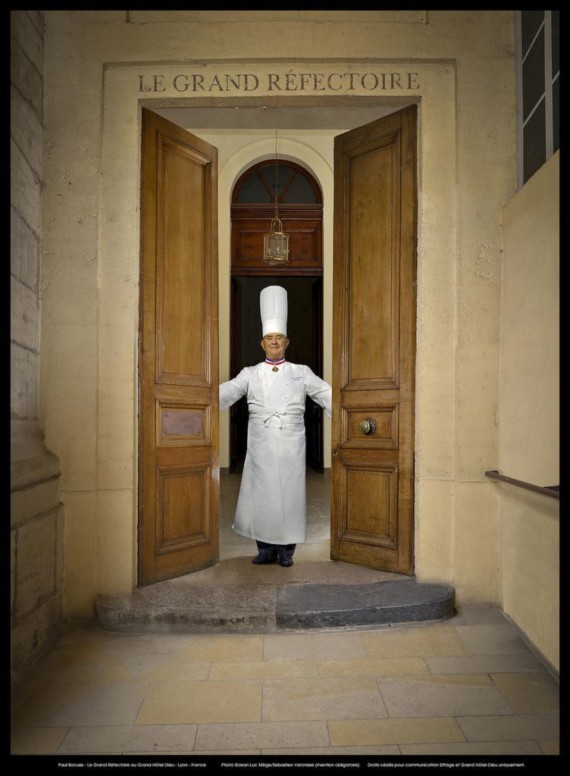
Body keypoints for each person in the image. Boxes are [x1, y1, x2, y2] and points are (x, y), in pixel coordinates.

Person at [219, 286, 332, 567]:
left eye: (278, 338)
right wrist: (197, 398)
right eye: (269, 338)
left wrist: (353, 409)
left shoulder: (300, 372)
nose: (274, 342)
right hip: (260, 444)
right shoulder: (250, 373)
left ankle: (286, 551)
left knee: (290, 498)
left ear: (286, 342)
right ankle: (265, 550)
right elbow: (226, 392)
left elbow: (327, 394)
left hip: (292, 443)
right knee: (262, 498)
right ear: (262, 343)